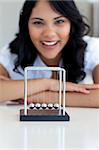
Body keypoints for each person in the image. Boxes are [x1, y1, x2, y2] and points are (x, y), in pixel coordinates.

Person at [0, 0, 99, 107]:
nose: (49, 34)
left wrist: (38, 96)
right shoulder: (12, 52)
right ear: (26, 26)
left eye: (59, 21)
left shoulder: (92, 48)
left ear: (71, 23)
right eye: (38, 23)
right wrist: (47, 84)